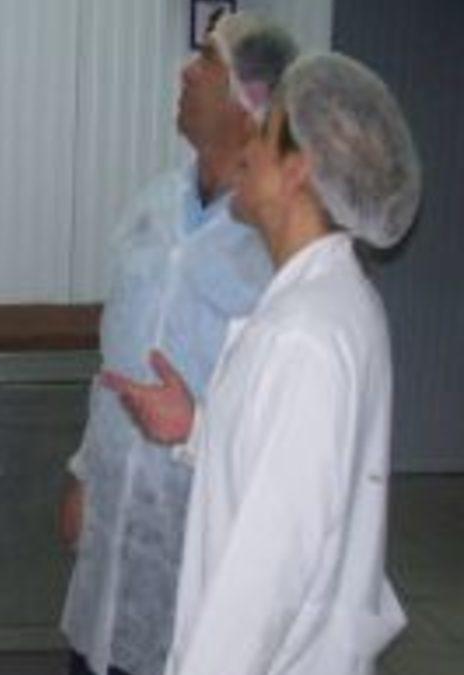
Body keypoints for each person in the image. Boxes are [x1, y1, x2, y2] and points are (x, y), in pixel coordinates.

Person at [103, 52, 421, 674]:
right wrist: (198, 428)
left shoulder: (302, 334)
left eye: (265, 132)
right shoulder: (330, 301)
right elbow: (286, 473)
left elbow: (265, 572)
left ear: (299, 169)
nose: (246, 148)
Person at [58, 13, 297, 675]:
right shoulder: (152, 205)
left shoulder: (273, 239)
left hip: (201, 532)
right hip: (112, 519)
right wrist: (84, 474)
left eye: (208, 60)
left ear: (251, 98)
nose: (187, 72)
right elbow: (116, 355)